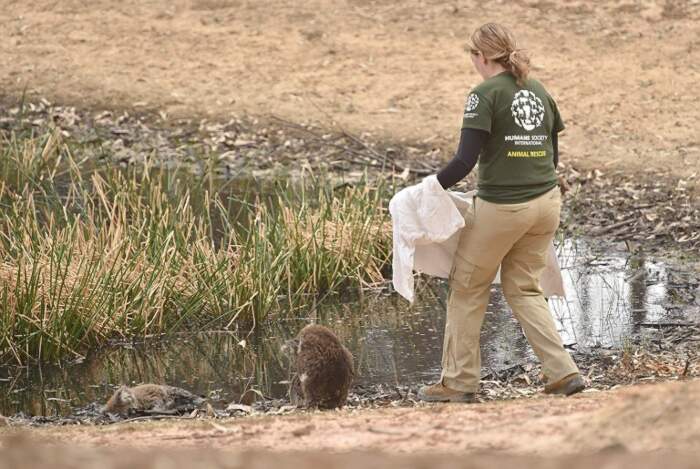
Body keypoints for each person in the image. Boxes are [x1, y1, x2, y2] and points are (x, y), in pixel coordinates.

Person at [417, 23, 585, 402]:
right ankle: (563, 373)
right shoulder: (538, 90)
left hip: (503, 208)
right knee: (524, 287)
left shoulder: (483, 95)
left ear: (481, 56)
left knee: (466, 286)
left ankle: (458, 383)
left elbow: (464, 161)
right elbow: (551, 156)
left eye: (472, 57)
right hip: (546, 204)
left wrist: (430, 189)